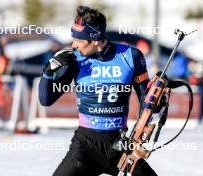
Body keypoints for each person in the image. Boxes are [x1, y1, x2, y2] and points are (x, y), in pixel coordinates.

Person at [39, 6, 157, 176]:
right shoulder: (74, 58)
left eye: (78, 40)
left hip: (120, 146)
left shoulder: (132, 56)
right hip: (85, 148)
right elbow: (45, 99)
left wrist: (157, 99)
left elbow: (146, 101)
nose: (74, 45)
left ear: (95, 40)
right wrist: (48, 72)